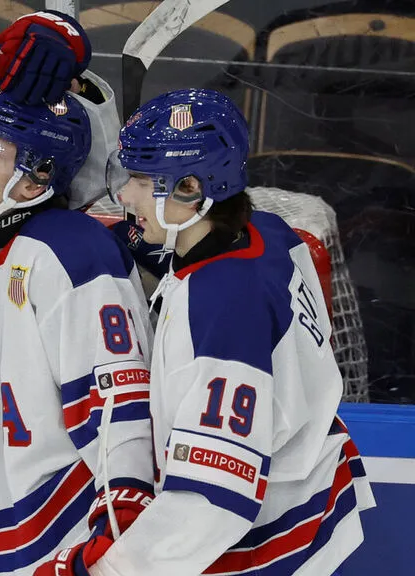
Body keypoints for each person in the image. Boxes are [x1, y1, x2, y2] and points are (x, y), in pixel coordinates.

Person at [69, 88, 374, 576]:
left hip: (267, 537)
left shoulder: (223, 308)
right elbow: (194, 258)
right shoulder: (265, 229)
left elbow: (212, 499)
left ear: (190, 188)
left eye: (143, 180)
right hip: (309, 481)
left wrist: (107, 571)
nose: (124, 195)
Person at [0, 75, 155, 575]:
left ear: (35, 180)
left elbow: (118, 404)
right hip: (16, 540)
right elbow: (6, 412)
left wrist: (118, 535)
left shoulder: (67, 248)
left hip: (77, 538)